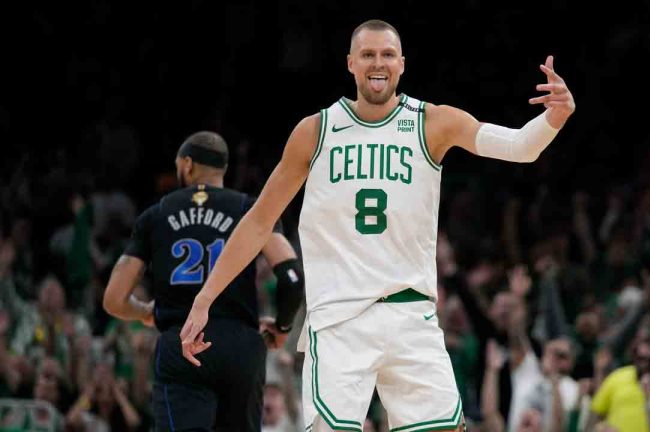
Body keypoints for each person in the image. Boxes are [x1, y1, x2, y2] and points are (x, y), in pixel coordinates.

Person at [180, 19, 575, 432]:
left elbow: (519, 146)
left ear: (402, 64)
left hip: (411, 315)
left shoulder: (432, 122)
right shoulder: (316, 131)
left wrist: (556, 116)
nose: (378, 63)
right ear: (351, 63)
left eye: (387, 54)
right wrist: (205, 298)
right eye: (367, 54)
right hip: (339, 319)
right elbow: (260, 220)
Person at [103, 131, 304, 431]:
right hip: (240, 346)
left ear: (186, 164)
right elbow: (291, 278)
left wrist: (145, 311)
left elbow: (114, 299)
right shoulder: (250, 210)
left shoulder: (156, 214)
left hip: (183, 342)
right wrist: (282, 326)